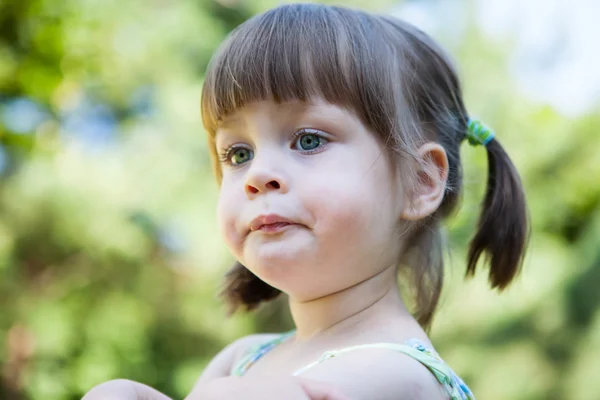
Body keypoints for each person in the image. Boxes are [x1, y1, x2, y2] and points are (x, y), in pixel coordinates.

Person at [83, 3, 529, 399]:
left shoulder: (398, 376)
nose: (257, 175)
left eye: (309, 139)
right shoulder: (242, 359)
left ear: (419, 181)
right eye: (239, 153)